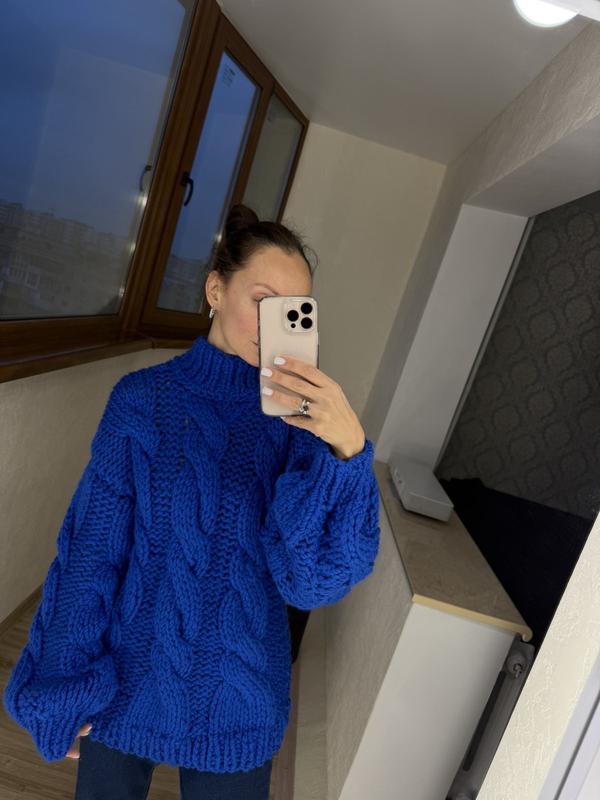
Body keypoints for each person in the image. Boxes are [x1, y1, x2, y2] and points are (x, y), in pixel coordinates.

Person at [3, 203, 381, 799]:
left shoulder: (303, 425)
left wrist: (346, 451)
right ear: (215, 290)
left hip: (242, 700)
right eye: (262, 300)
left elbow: (310, 584)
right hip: (124, 686)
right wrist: (65, 685)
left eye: (293, 310)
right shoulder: (142, 401)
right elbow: (91, 556)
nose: (274, 324)